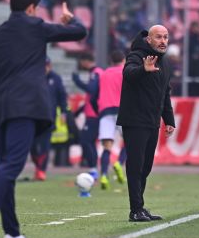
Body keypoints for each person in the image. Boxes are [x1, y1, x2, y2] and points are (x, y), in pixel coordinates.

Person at [0, 0, 86, 238]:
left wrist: (4, 81)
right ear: (32, 7)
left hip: (5, 106)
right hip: (28, 105)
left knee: (6, 168)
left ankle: (12, 233)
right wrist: (71, 19)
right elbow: (80, 33)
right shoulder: (37, 26)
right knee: (13, 166)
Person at [117, 25, 175, 222]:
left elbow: (165, 93)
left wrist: (169, 120)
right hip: (134, 120)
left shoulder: (165, 63)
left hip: (152, 122)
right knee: (136, 165)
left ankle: (139, 206)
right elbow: (128, 74)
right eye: (158, 37)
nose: (163, 41)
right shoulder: (136, 56)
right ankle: (135, 210)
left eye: (166, 37)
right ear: (148, 39)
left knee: (146, 167)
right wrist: (144, 69)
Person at [30, 56, 70, 181]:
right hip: (33, 117)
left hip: (49, 118)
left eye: (46, 65)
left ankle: (42, 170)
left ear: (50, 66)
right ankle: (38, 167)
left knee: (45, 145)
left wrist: (63, 112)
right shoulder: (34, 78)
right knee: (32, 146)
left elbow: (62, 97)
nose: (45, 68)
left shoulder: (55, 78)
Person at [93, 50, 127, 189]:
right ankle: (119, 162)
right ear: (123, 60)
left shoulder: (103, 74)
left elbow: (94, 94)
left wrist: (98, 110)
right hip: (123, 110)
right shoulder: (126, 72)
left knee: (106, 146)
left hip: (105, 111)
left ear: (110, 61)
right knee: (129, 142)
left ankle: (104, 176)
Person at [72, 53, 103, 171]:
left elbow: (91, 90)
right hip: (93, 113)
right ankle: (93, 168)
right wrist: (79, 111)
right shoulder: (95, 72)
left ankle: (93, 167)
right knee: (89, 141)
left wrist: (77, 81)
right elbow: (92, 96)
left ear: (85, 61)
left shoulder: (96, 73)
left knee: (86, 140)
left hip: (94, 114)